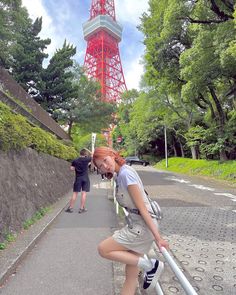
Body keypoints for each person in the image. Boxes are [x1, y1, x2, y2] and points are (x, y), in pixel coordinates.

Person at [93, 146, 169, 295]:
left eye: (105, 161)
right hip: (139, 226)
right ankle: (148, 266)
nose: (105, 166)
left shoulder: (126, 174)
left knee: (103, 249)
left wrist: (158, 238)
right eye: (101, 166)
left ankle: (150, 265)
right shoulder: (119, 174)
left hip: (141, 228)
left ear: (112, 154)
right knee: (130, 276)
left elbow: (143, 209)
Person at [65, 148, 92, 213]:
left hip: (78, 178)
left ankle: (70, 208)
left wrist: (76, 168)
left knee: (75, 193)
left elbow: (71, 168)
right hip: (85, 178)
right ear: (85, 154)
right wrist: (88, 150)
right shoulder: (87, 159)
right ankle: (81, 208)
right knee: (84, 193)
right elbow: (92, 155)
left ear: (79, 153)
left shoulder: (75, 160)